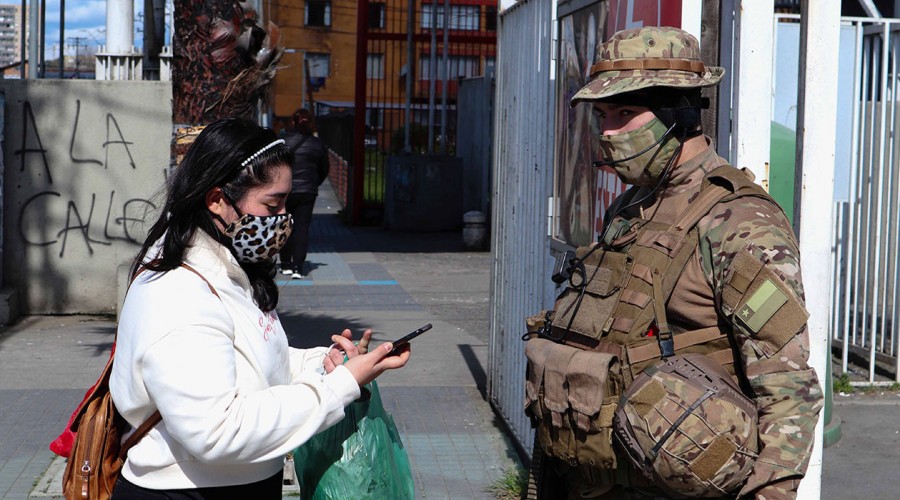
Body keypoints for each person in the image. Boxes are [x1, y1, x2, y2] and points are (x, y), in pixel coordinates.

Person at [523, 27, 823, 499]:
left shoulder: (739, 221)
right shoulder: (631, 206)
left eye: (625, 114)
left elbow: (789, 388)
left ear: (679, 116)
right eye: (602, 115)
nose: (607, 131)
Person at [108, 117, 409, 497]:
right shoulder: (179, 291)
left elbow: (253, 360)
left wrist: (327, 362)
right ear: (217, 199)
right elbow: (215, 432)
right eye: (274, 203)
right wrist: (339, 387)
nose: (285, 217)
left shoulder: (228, 267)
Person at [279, 108, 330, 279]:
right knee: (302, 228)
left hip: (284, 190)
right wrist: (313, 184)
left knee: (285, 225)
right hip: (307, 191)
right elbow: (324, 169)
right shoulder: (317, 144)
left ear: (292, 122)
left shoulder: (282, 141)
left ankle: (285, 263)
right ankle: (298, 268)